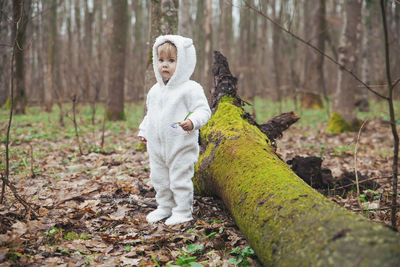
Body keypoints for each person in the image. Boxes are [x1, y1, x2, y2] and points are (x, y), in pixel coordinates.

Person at [138, 35, 211, 226]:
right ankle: (165, 207)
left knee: (179, 179)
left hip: (180, 144)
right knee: (159, 179)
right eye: (161, 60)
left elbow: (204, 110)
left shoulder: (190, 88)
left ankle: (183, 210)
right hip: (157, 147)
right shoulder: (155, 90)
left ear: (184, 62)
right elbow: (151, 114)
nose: (165, 65)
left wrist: (193, 121)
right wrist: (144, 130)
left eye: (171, 61)